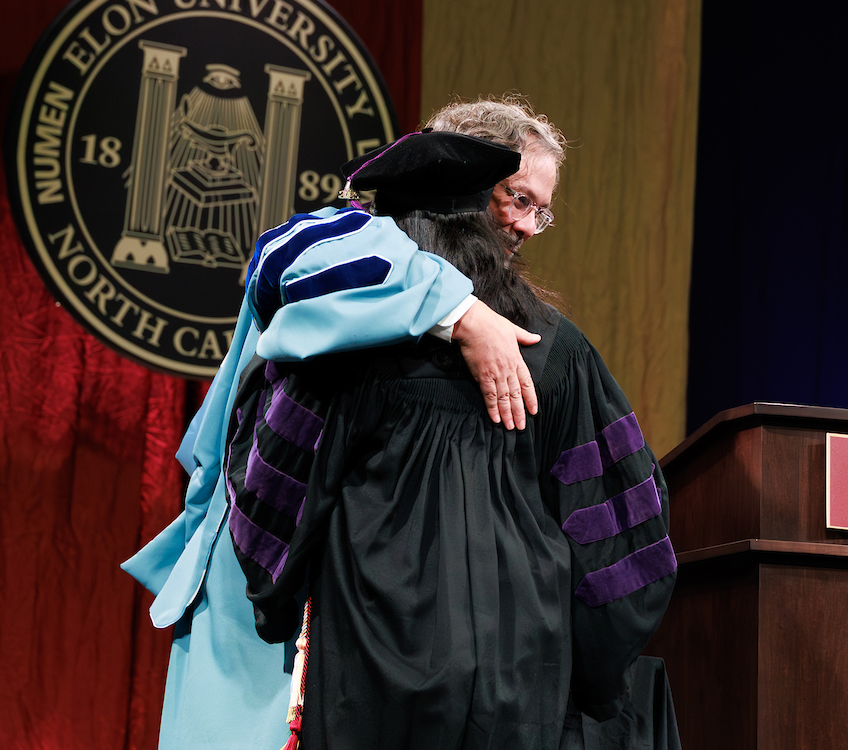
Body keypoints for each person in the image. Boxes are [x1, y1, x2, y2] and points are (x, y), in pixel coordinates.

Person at [124, 98, 569, 750]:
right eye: (517, 197)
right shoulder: (354, 236)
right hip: (261, 579)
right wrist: (461, 313)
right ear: (461, 179)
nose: (528, 225)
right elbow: (284, 256)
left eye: (542, 209)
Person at [225, 131, 676, 749]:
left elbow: (271, 492)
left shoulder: (344, 348)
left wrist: (275, 601)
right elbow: (624, 539)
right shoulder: (556, 350)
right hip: (522, 667)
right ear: (488, 215)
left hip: (369, 653)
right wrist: (595, 677)